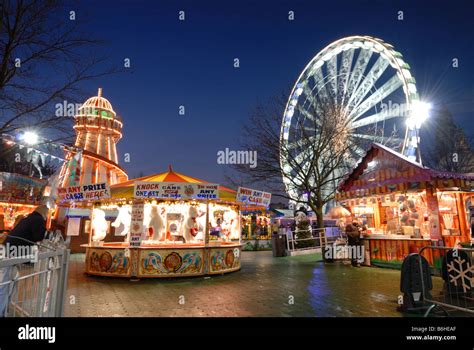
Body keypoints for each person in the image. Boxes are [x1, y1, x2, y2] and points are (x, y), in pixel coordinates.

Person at [0, 205, 48, 316]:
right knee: (5, 284)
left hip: (8, 251)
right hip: (12, 254)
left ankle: (5, 310)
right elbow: (38, 236)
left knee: (10, 281)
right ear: (44, 213)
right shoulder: (38, 219)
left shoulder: (29, 218)